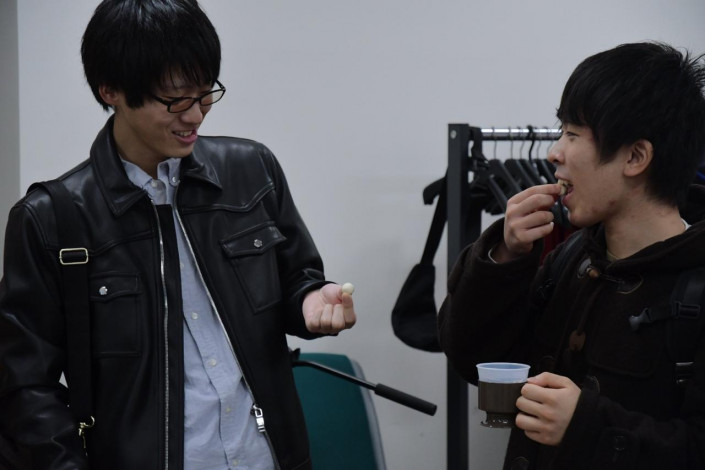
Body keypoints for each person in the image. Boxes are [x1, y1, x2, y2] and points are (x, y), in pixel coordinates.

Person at [0, 1, 357, 469]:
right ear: (111, 90)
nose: (195, 116)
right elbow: (26, 388)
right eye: (175, 99)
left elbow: (296, 279)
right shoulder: (50, 219)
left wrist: (311, 300)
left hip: (265, 457)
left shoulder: (252, 171)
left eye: (205, 93)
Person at [438, 42, 705, 470]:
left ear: (635, 157)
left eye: (573, 134)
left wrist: (587, 427)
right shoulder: (573, 257)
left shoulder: (694, 282)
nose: (554, 152)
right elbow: (475, 360)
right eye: (560, 130)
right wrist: (504, 257)